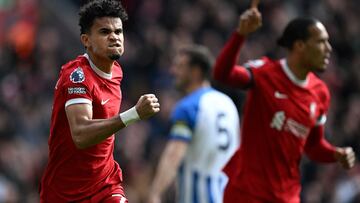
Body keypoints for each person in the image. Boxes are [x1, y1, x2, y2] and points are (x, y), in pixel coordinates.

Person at [212, 2, 356, 203]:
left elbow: (313, 147)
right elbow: (222, 74)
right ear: (299, 46)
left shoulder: (320, 93)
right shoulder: (265, 74)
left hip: (286, 197)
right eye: (321, 42)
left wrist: (335, 154)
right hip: (247, 193)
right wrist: (240, 35)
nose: (328, 49)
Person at [39, 0, 160, 202]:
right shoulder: (77, 76)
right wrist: (134, 114)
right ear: (86, 40)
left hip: (105, 184)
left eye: (118, 32)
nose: (114, 37)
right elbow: (81, 134)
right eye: (104, 32)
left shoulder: (117, 72)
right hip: (65, 192)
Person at [148, 45, 240, 203]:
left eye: (180, 67)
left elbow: (174, 154)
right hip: (228, 194)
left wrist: (155, 193)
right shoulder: (228, 103)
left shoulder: (189, 107)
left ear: (196, 71)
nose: (173, 71)